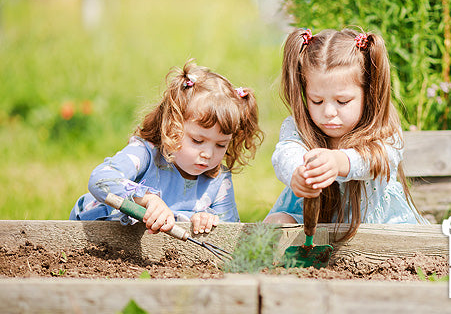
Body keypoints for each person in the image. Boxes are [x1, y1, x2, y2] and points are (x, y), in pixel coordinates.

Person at [264, 28, 427, 241]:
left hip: (378, 226)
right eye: (317, 101)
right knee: (276, 223)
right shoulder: (299, 127)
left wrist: (339, 161)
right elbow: (286, 152)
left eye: (342, 102)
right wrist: (299, 172)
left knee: (403, 243)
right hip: (310, 219)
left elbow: (381, 159)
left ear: (368, 93)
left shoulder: (383, 128)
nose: (329, 112)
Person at [70, 59, 262, 236]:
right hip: (96, 234)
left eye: (221, 145)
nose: (208, 154)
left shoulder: (218, 180)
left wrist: (208, 219)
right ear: (172, 127)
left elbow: (230, 234)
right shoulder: (146, 154)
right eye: (197, 141)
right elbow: (100, 179)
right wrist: (148, 199)